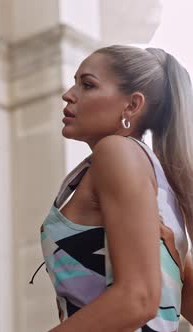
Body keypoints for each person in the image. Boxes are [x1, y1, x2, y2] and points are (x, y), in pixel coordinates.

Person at [37, 45, 193, 331]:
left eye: (87, 85)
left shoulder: (116, 152)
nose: (68, 94)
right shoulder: (157, 181)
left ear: (132, 105)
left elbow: (137, 300)